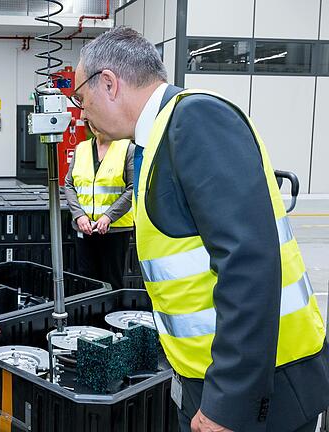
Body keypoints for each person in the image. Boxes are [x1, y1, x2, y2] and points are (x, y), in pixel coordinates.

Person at [73, 26, 329, 432]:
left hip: (259, 391)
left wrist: (228, 403)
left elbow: (249, 265)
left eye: (81, 99)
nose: (82, 112)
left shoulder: (195, 120)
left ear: (109, 83)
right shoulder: (157, 138)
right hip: (209, 377)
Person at [64, 122, 134, 289]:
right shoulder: (81, 149)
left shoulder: (127, 149)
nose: (96, 125)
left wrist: (109, 216)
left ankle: (109, 314)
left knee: (111, 280)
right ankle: (90, 315)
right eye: (91, 122)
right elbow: (69, 184)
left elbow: (134, 187)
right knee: (86, 280)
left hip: (115, 229)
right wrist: (79, 215)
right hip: (84, 229)